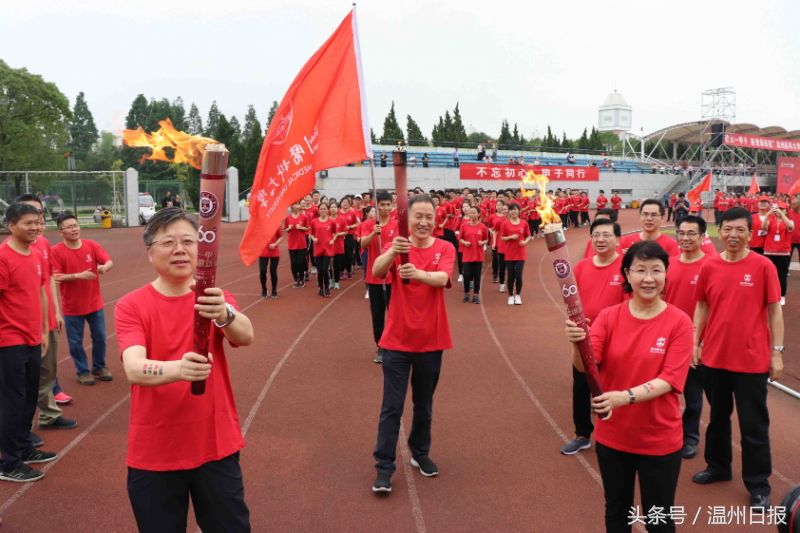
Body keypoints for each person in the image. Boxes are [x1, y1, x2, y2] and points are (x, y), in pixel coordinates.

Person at [115, 207, 254, 532]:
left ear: (200, 250)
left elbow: (246, 336)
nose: (179, 249)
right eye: (168, 242)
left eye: (188, 241)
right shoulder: (131, 305)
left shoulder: (215, 298)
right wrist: (180, 369)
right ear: (150, 253)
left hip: (215, 445)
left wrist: (225, 313)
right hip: (155, 453)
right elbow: (134, 368)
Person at [564, 241, 693, 532]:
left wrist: (625, 397)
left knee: (658, 518)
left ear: (665, 274)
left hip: (659, 440)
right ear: (627, 274)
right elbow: (585, 366)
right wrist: (576, 344)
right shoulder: (609, 317)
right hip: (614, 437)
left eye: (656, 270)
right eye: (640, 270)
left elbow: (670, 379)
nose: (649, 278)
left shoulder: (680, 322)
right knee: (617, 512)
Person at [691, 207, 784, 512]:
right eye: (727, 229)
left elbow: (774, 311)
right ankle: (718, 467)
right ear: (719, 231)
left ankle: (758, 484)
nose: (733, 235)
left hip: (751, 360)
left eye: (740, 230)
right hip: (714, 358)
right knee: (717, 418)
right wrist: (695, 342)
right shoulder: (709, 266)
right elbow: (702, 306)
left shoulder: (763, 266)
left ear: (749, 232)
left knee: (753, 426)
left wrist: (777, 352)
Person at [370, 194, 456, 493]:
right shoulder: (399, 246)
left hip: (431, 341)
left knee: (424, 404)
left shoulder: (445, 247)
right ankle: (384, 467)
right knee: (392, 407)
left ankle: (420, 453)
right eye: (417, 216)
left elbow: (444, 276)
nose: (423, 221)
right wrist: (393, 252)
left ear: (436, 219)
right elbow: (377, 271)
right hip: (396, 340)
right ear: (408, 220)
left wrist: (418, 273)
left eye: (428, 216)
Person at [0, 202, 57, 483]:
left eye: (37, 221)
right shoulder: (3, 257)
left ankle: (24, 447)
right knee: (12, 401)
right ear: (10, 225)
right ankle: (9, 462)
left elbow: (41, 293)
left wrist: (45, 331)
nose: (35, 227)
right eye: (28, 223)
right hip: (9, 340)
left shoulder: (36, 254)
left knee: (29, 396)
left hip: (35, 337)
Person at [10, 195, 75, 434]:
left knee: (47, 372)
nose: (37, 220)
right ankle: (21, 432)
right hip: (23, 325)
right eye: (30, 215)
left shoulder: (43, 245)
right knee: (25, 381)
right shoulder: (10, 251)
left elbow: (47, 281)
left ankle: (47, 416)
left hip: (46, 317)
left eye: (39, 214)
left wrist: (56, 312)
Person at [560, 218, 625, 456]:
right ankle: (582, 434)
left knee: (612, 388)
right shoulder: (580, 268)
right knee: (580, 388)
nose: (600, 239)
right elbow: (571, 304)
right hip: (584, 340)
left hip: (616, 341)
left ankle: (614, 435)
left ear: (618, 239)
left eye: (606, 235)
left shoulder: (626, 268)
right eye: (596, 234)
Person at [664, 216, 709, 460]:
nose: (685, 238)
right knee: (662, 390)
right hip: (666, 339)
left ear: (703, 237)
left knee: (693, 394)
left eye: (692, 233)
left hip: (695, 342)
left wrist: (699, 342)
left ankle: (690, 437)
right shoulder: (668, 264)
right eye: (681, 233)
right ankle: (662, 432)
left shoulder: (711, 265)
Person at [51, 214, 114, 385]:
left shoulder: (91, 245)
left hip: (94, 303)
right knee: (75, 342)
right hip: (72, 307)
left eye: (76, 225)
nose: (74, 229)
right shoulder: (56, 251)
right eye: (69, 227)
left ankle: (99, 366)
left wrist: (104, 268)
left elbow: (108, 261)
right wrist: (79, 275)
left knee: (100, 336)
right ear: (61, 232)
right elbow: (56, 276)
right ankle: (82, 371)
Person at [361, 192, 399, 363]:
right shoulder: (368, 224)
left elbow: (398, 244)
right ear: (376, 206)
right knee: (377, 314)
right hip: (374, 277)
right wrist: (372, 233)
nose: (385, 208)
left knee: (394, 313)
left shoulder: (397, 224)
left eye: (387, 205)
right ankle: (381, 346)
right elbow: (362, 244)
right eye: (382, 205)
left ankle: (394, 344)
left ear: (392, 206)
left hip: (392, 276)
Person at [763, 203, 794, 305]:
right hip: (769, 251)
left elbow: (790, 226)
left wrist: (782, 214)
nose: (779, 210)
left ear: (786, 211)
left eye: (782, 209)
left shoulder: (788, 221)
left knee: (782, 275)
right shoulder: (771, 220)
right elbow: (763, 227)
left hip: (783, 252)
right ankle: (768, 294)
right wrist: (768, 215)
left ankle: (782, 295)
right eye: (778, 209)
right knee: (768, 274)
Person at [500, 203, 531, 305]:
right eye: (511, 210)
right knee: (511, 276)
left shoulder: (524, 223)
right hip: (509, 253)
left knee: (518, 275)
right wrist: (510, 237)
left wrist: (525, 242)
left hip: (520, 253)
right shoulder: (505, 224)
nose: (513, 211)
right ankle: (510, 296)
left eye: (515, 209)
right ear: (509, 211)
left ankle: (517, 295)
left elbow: (528, 236)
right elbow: (502, 237)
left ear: (519, 211)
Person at [459, 205, 489, 304]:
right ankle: (466, 293)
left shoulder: (482, 226)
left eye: (473, 213)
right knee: (466, 274)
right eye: (470, 213)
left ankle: (476, 295)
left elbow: (486, 239)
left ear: (478, 214)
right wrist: (465, 242)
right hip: (467, 254)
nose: (471, 214)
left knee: (477, 276)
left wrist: (482, 243)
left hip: (478, 255)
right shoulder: (464, 225)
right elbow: (460, 238)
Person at [309, 203, 336, 298]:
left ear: (327, 210)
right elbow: (311, 234)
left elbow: (335, 233)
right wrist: (314, 239)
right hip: (318, 248)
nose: (323, 211)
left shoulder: (332, 222)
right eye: (321, 209)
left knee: (325, 269)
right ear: (319, 211)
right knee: (320, 270)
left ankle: (327, 288)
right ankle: (321, 288)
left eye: (325, 209)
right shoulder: (314, 222)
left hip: (328, 249)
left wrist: (333, 240)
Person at [283, 201, 309, 288]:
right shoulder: (287, 218)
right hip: (292, 244)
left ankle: (301, 279)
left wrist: (301, 228)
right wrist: (288, 228)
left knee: (300, 262)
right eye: (296, 204)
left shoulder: (304, 217)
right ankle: (295, 279)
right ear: (291, 206)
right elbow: (285, 229)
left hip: (302, 244)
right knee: (293, 262)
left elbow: (308, 228)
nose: (298, 206)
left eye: (298, 204)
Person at [258, 226, 282, 299]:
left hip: (274, 251)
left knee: (273, 271)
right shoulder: (260, 225)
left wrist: (275, 244)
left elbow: (281, 237)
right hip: (263, 252)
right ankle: (264, 289)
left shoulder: (276, 224)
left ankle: (274, 290)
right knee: (262, 271)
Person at [492, 203, 509, 292]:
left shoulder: (515, 220)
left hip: (512, 248)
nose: (504, 211)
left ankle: (510, 285)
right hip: (502, 246)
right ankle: (502, 283)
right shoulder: (500, 220)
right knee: (502, 267)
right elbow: (494, 231)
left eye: (506, 209)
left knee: (511, 268)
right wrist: (494, 242)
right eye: (503, 210)